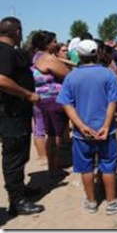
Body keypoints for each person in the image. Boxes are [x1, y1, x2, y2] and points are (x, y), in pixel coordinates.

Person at [56, 39, 117, 215]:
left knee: (86, 167)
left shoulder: (71, 76)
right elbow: (113, 100)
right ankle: (111, 202)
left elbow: (67, 104)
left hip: (82, 133)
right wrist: (106, 125)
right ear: (97, 53)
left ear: (79, 55)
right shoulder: (107, 74)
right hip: (106, 130)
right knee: (108, 164)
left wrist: (81, 126)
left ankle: (91, 202)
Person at [0, 16, 45, 216]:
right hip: (11, 114)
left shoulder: (11, 51)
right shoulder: (4, 52)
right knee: (14, 156)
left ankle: (19, 189)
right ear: (16, 31)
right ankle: (16, 201)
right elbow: (1, 80)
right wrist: (28, 94)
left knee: (20, 153)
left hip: (18, 113)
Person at [31, 30, 70, 175]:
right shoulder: (48, 58)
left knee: (41, 130)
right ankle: (54, 166)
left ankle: (48, 162)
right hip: (52, 100)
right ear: (46, 44)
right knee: (55, 134)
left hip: (40, 99)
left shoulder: (35, 56)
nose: (56, 44)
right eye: (54, 41)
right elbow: (68, 74)